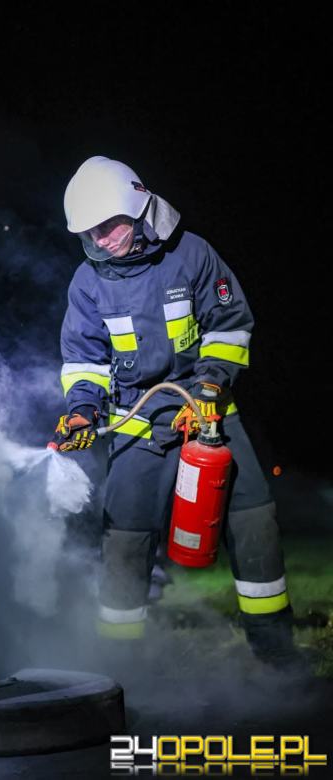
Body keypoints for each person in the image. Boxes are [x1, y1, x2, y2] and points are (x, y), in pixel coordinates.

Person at [53, 155, 304, 671]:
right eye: (90, 232)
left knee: (254, 521)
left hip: (211, 412)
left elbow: (230, 326)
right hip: (138, 425)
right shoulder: (87, 283)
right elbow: (84, 361)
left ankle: (278, 656)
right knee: (124, 543)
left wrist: (212, 383)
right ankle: (122, 671)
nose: (100, 239)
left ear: (137, 209)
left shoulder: (192, 255)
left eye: (108, 226)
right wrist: (82, 411)